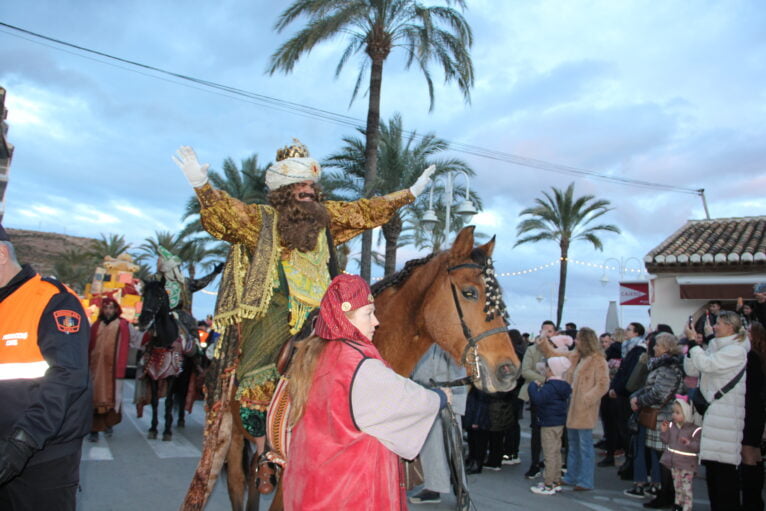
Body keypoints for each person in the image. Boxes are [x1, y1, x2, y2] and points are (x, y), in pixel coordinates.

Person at [174, 141, 435, 505]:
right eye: (300, 190)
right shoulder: (260, 222)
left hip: (326, 315)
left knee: (362, 360)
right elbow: (227, 216)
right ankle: (268, 454)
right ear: (282, 194)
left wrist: (407, 194)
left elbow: (365, 210)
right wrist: (202, 186)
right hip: (276, 311)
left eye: (312, 190)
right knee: (259, 374)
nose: (309, 195)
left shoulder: (327, 220)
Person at [282, 274, 444, 510]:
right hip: (350, 491)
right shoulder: (356, 362)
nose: (376, 321)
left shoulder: (316, 353)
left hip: (312, 483)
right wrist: (439, 398)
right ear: (345, 317)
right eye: (368, 314)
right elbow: (407, 399)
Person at [0, 224, 92, 510]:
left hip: (41, 457)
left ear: (1, 253)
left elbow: (67, 378)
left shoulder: (54, 301)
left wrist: (21, 443)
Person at [684, 310, 749, 511]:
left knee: (725, 476)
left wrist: (695, 345)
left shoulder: (736, 350)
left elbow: (708, 365)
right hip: (713, 419)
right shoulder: (715, 346)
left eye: (718, 323)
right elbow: (693, 370)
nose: (714, 327)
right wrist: (692, 348)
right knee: (713, 474)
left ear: (730, 326)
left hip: (725, 419)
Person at [540, 327, 610, 491]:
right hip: (573, 405)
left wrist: (587, 398)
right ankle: (572, 476)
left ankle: (585, 480)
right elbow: (555, 355)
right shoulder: (576, 356)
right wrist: (543, 342)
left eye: (579, 338)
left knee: (585, 446)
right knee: (573, 444)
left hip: (584, 408)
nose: (576, 341)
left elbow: (603, 384)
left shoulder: (598, 360)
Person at [629, 332, 684, 508]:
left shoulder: (667, 367)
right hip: (660, 416)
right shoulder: (662, 365)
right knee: (661, 457)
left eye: (658, 345)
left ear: (667, 348)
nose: (654, 347)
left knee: (664, 457)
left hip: (664, 417)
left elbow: (660, 393)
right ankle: (665, 493)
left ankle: (668, 495)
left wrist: (639, 400)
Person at [409, 344, 468, 505]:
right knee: (430, 447)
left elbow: (460, 374)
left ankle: (462, 491)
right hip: (425, 397)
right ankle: (433, 487)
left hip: (449, 399)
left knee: (453, 448)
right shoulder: (422, 339)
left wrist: (456, 404)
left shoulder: (450, 341)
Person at [88, 296, 133, 442]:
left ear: (115, 309)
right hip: (96, 369)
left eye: (111, 308)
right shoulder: (96, 325)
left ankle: (108, 425)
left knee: (113, 398)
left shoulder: (122, 325)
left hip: (114, 370)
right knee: (94, 398)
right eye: (106, 308)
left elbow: (136, 339)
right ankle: (94, 429)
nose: (108, 311)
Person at [528, 356, 572, 495]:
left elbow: (537, 399)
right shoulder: (563, 386)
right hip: (558, 422)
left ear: (551, 371)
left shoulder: (550, 387)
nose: (545, 370)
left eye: (547, 368)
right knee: (556, 451)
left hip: (548, 422)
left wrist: (533, 386)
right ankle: (556, 480)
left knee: (549, 453)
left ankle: (548, 484)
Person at [519, 320, 556, 479]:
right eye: (544, 330)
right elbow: (525, 370)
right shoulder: (532, 350)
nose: (547, 333)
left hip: (554, 396)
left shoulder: (558, 350)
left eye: (550, 331)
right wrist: (544, 379)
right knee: (536, 430)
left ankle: (552, 465)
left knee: (554, 431)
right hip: (537, 393)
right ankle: (534, 463)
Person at [659, 396, 701, 511]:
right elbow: (666, 440)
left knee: (686, 487)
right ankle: (678, 504)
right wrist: (664, 432)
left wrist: (689, 443)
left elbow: (698, 446)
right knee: (677, 486)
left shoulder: (694, 429)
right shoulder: (672, 426)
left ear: (686, 414)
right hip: (674, 462)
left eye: (678, 412)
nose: (674, 415)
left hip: (687, 464)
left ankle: (687, 507)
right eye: (673, 412)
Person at [741, 321, 765, 511]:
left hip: (751, 408)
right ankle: (755, 500)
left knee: (748, 452)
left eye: (749, 331)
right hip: (757, 408)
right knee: (755, 453)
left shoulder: (752, 358)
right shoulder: (759, 356)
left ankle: (752, 501)